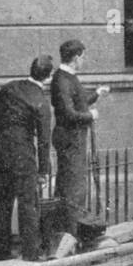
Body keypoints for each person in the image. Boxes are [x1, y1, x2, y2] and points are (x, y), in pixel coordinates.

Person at [0, 55, 53, 260]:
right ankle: (31, 254)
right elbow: (44, 140)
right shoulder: (41, 101)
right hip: (23, 156)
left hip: (0, 154)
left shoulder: (9, 88)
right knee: (28, 204)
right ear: (48, 77)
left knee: (2, 204)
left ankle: (3, 253)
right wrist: (44, 170)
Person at [50, 41, 109, 237]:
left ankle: (66, 233)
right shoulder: (62, 80)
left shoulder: (68, 77)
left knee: (71, 186)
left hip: (75, 140)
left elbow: (79, 102)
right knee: (73, 189)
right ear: (76, 58)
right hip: (70, 140)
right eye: (83, 57)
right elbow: (68, 113)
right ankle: (69, 235)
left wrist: (96, 95)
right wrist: (90, 116)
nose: (84, 60)